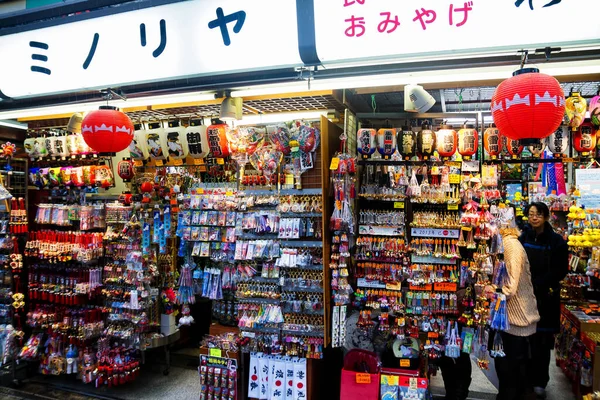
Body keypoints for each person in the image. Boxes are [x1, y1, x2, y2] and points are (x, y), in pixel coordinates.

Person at [486, 208, 540, 400]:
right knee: (507, 374)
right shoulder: (505, 245)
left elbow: (510, 287)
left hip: (516, 323)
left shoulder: (511, 247)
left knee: (510, 375)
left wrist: (490, 291)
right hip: (510, 322)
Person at [519, 202, 569, 399]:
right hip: (525, 296)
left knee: (542, 341)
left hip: (546, 296)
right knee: (526, 340)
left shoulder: (556, 241)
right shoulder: (524, 237)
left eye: (538, 214)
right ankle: (526, 381)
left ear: (546, 217)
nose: (534, 218)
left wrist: (540, 282)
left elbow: (560, 270)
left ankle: (540, 382)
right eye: (531, 214)